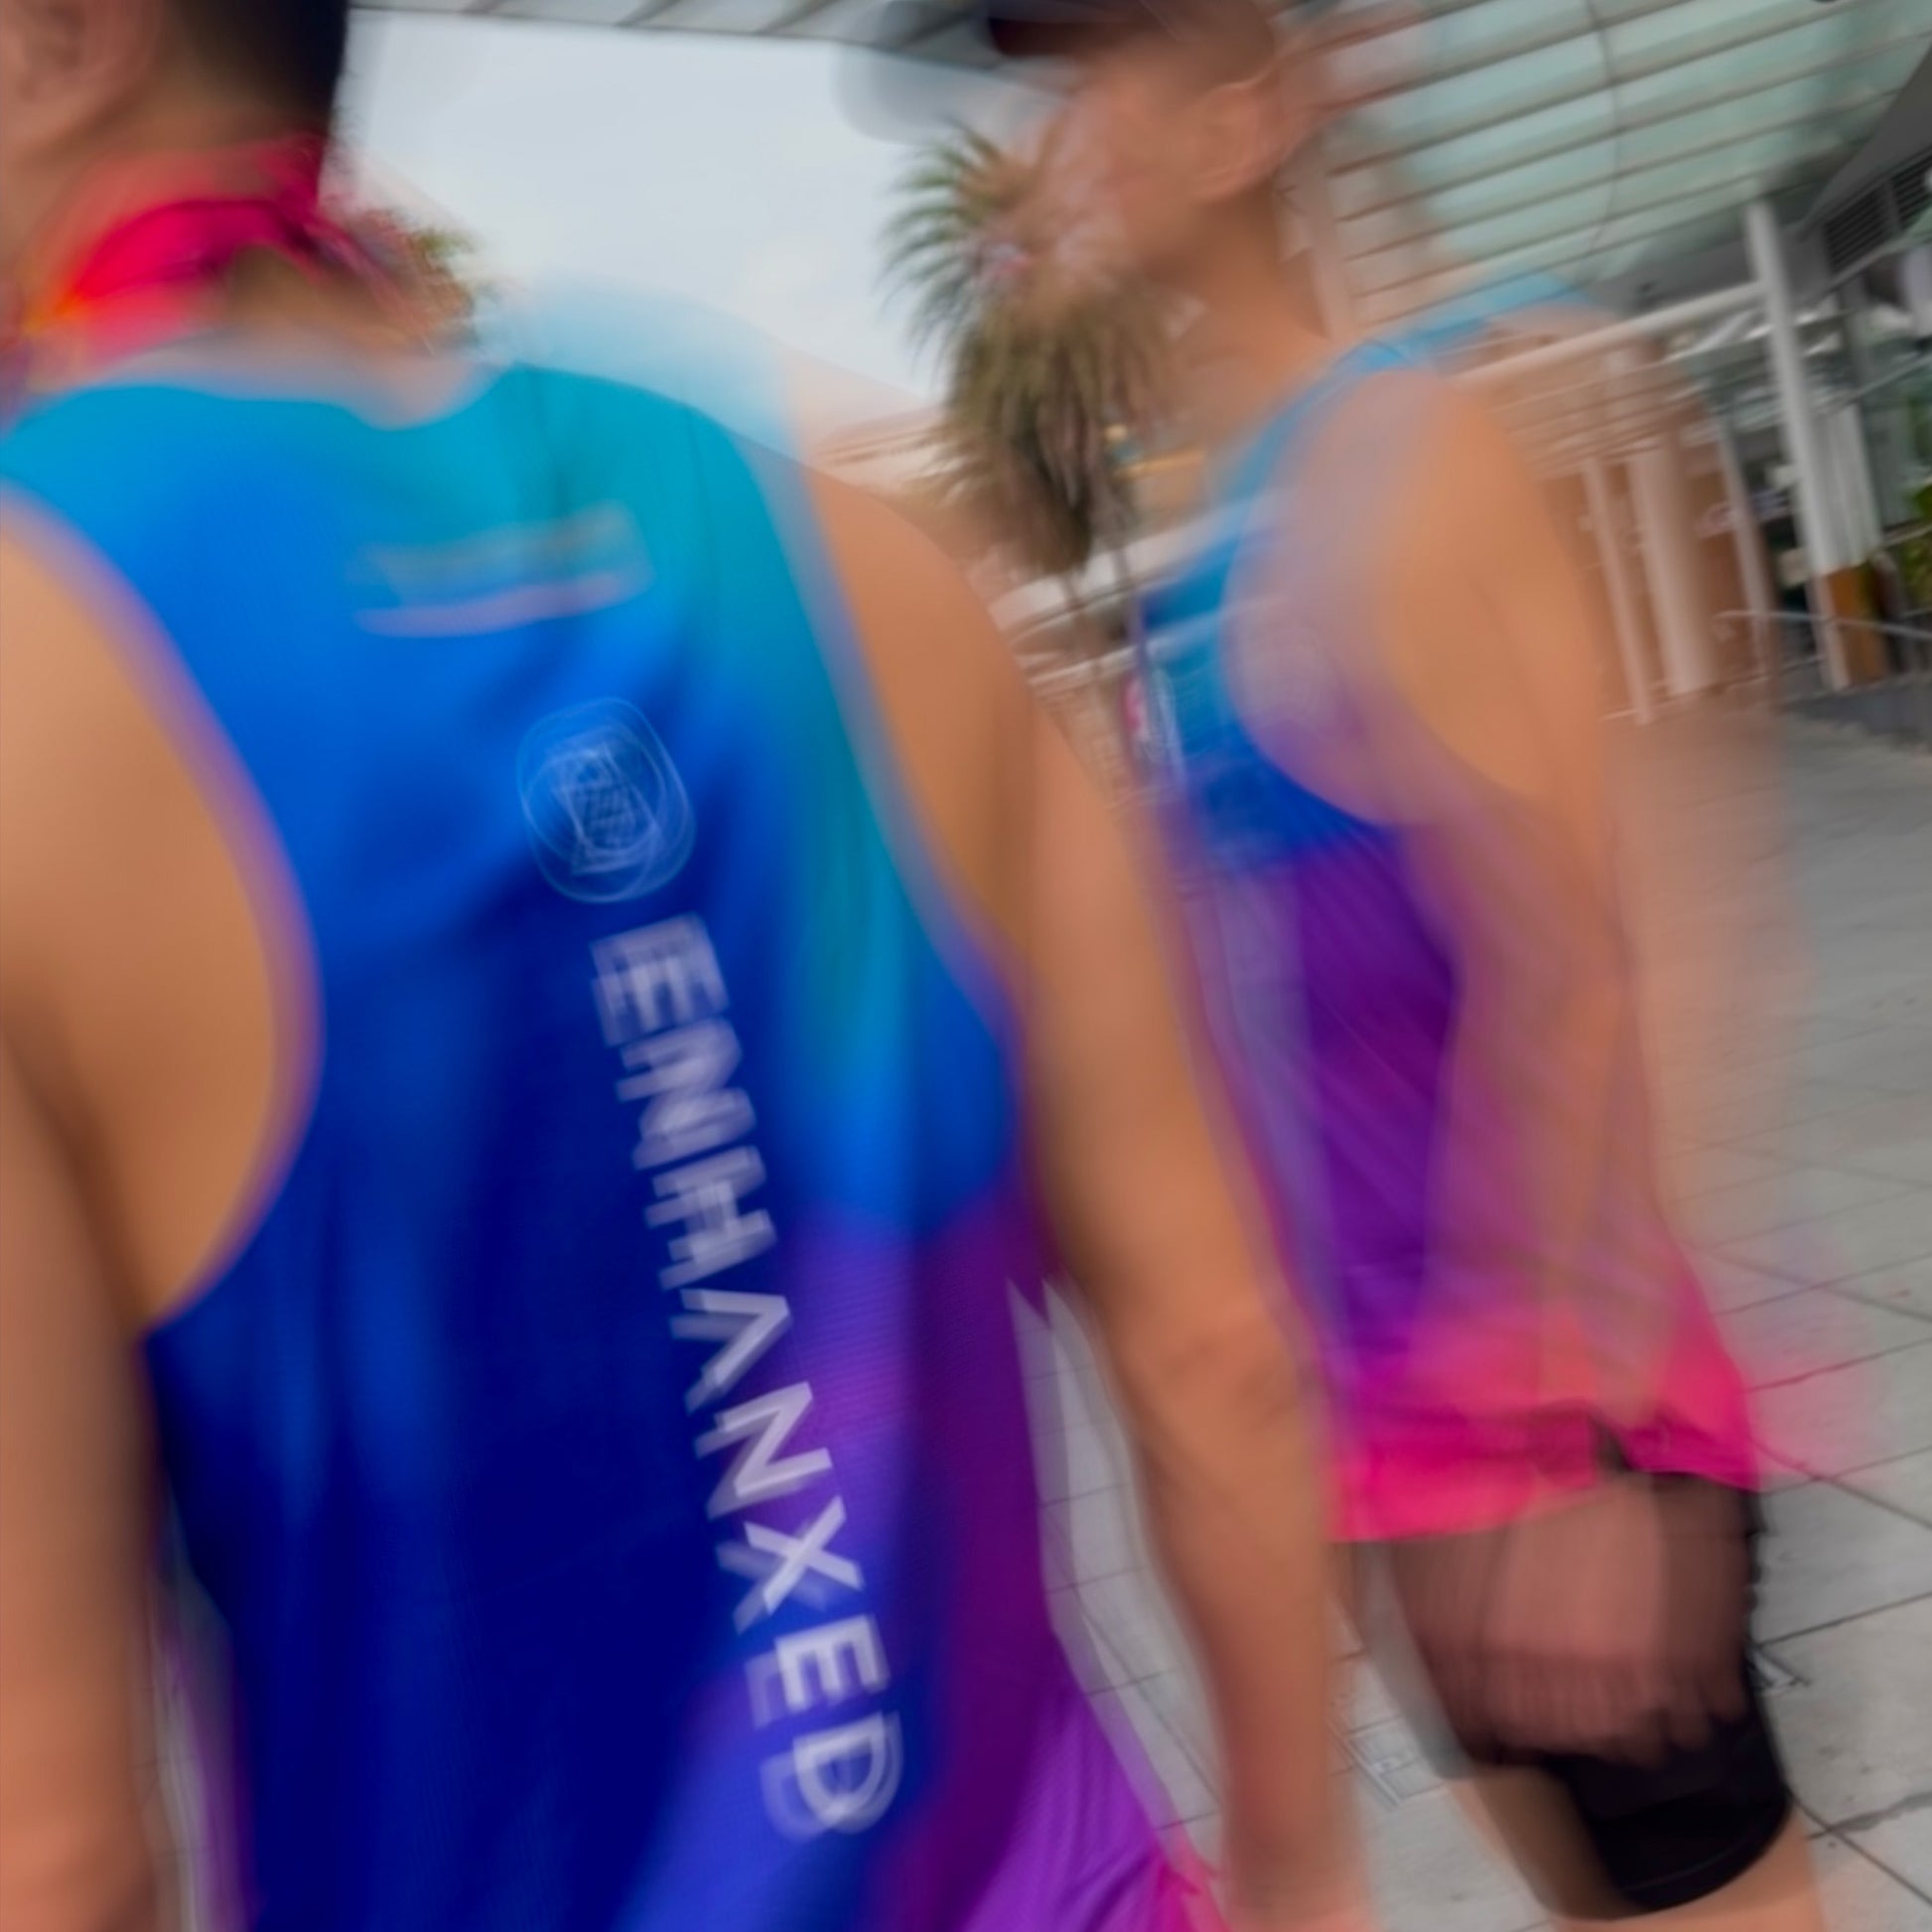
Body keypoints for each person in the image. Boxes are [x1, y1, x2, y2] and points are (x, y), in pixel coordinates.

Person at [0, 3, 1357, 1928]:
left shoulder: (36, 680)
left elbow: (54, 1847)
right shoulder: (840, 544)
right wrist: (1306, 1885)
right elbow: (1216, 1347)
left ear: (67, 39)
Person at [976, 2, 1830, 1927]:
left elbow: (1600, 959)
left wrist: (1575, 1447)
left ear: (1242, 118)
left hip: (1550, 1448)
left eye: (1089, 84)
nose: (1049, 147)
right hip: (1402, 1454)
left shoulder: (1419, 450)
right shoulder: (1230, 523)